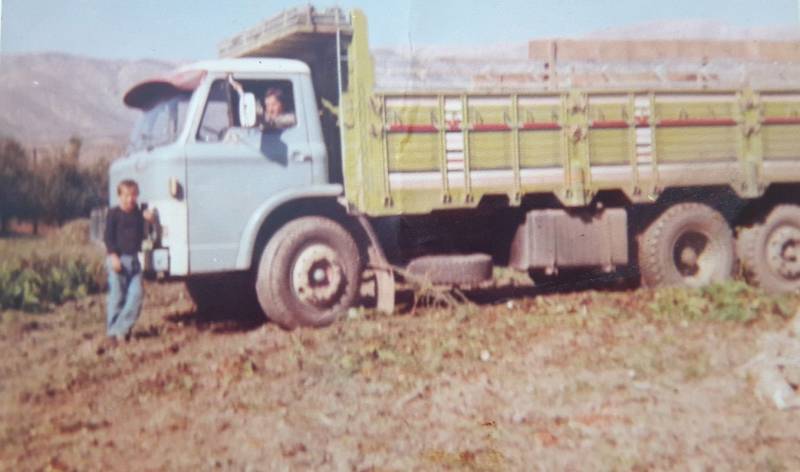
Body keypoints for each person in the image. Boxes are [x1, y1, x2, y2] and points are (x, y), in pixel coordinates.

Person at [103, 179, 154, 343]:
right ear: (119, 196)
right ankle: (114, 334)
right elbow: (108, 238)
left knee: (136, 295)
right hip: (118, 260)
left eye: (133, 195)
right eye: (126, 195)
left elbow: (148, 232)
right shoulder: (114, 214)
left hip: (134, 261)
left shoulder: (139, 214)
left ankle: (120, 329)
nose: (130, 199)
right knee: (117, 296)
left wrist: (150, 220)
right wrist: (113, 257)